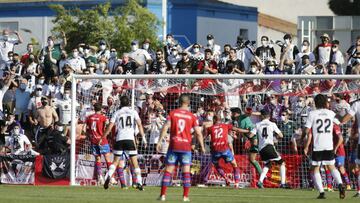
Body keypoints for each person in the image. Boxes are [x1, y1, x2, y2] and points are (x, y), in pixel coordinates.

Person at [156, 94, 206, 202]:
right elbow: (198, 132)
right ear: (188, 103)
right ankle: (185, 196)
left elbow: (165, 127)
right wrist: (202, 146)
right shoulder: (192, 116)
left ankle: (163, 195)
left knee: (169, 170)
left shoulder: (173, 113)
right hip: (186, 147)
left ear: (179, 102)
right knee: (186, 172)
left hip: (173, 145)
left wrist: (159, 141)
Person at [303, 94, 345, 199]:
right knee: (332, 167)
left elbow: (307, 130)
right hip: (329, 145)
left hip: (318, 145)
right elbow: (339, 122)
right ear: (325, 102)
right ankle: (340, 184)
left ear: (316, 103)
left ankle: (321, 192)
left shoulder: (312, 114)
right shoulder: (331, 113)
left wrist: (302, 137)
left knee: (315, 168)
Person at [103, 95, 146, 190]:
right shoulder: (133, 112)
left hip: (119, 139)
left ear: (121, 103)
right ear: (129, 103)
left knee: (115, 162)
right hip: (130, 139)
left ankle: (108, 176)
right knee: (135, 163)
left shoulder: (117, 113)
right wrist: (143, 138)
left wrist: (103, 137)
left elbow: (110, 127)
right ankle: (139, 183)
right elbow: (139, 124)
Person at [205, 114, 249, 188]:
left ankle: (226, 179)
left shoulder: (210, 128)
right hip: (225, 150)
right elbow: (237, 129)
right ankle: (237, 183)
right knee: (234, 164)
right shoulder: (226, 126)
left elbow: (204, 136)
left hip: (215, 151)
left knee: (216, 165)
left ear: (214, 120)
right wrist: (246, 131)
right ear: (221, 120)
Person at [249, 109, 287, 189]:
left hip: (261, 148)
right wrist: (274, 138)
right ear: (269, 116)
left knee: (268, 164)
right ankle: (283, 183)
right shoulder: (272, 124)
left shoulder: (257, 124)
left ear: (261, 116)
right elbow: (281, 135)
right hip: (269, 146)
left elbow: (250, 135)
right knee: (282, 163)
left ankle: (260, 181)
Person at [84, 103, 112, 185]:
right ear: (101, 109)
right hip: (102, 140)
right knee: (107, 159)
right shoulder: (103, 117)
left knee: (98, 159)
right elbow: (108, 126)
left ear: (94, 109)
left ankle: (100, 177)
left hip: (94, 140)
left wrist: (90, 136)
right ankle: (111, 177)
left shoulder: (89, 118)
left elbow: (85, 129)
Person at [340, 96, 360, 198]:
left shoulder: (357, 105)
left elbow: (344, 119)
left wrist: (337, 116)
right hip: (355, 143)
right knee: (354, 167)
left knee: (357, 167)